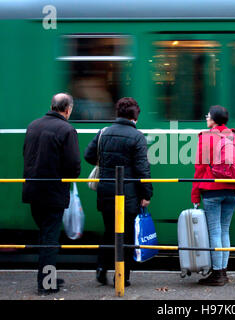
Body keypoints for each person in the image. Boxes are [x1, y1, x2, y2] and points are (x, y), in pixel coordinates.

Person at [84, 97, 153, 287]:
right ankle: (122, 277)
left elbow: (89, 155)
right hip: (128, 194)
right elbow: (142, 169)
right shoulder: (137, 136)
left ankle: (101, 268)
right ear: (135, 117)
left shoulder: (103, 132)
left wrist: (105, 163)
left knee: (109, 232)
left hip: (105, 191)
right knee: (127, 235)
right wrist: (147, 194)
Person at [22, 93, 81, 295]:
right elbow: (73, 165)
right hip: (53, 192)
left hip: (32, 190)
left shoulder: (33, 126)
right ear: (68, 109)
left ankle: (48, 275)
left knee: (45, 236)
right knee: (50, 239)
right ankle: (46, 283)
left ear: (52, 106)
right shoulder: (67, 129)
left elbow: (26, 154)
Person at [191, 105, 235, 286]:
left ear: (213, 119)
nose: (206, 117)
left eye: (208, 115)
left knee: (215, 231)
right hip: (233, 190)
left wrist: (195, 194)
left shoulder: (207, 137)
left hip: (212, 190)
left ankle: (217, 274)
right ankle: (223, 272)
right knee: (224, 230)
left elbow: (200, 167)